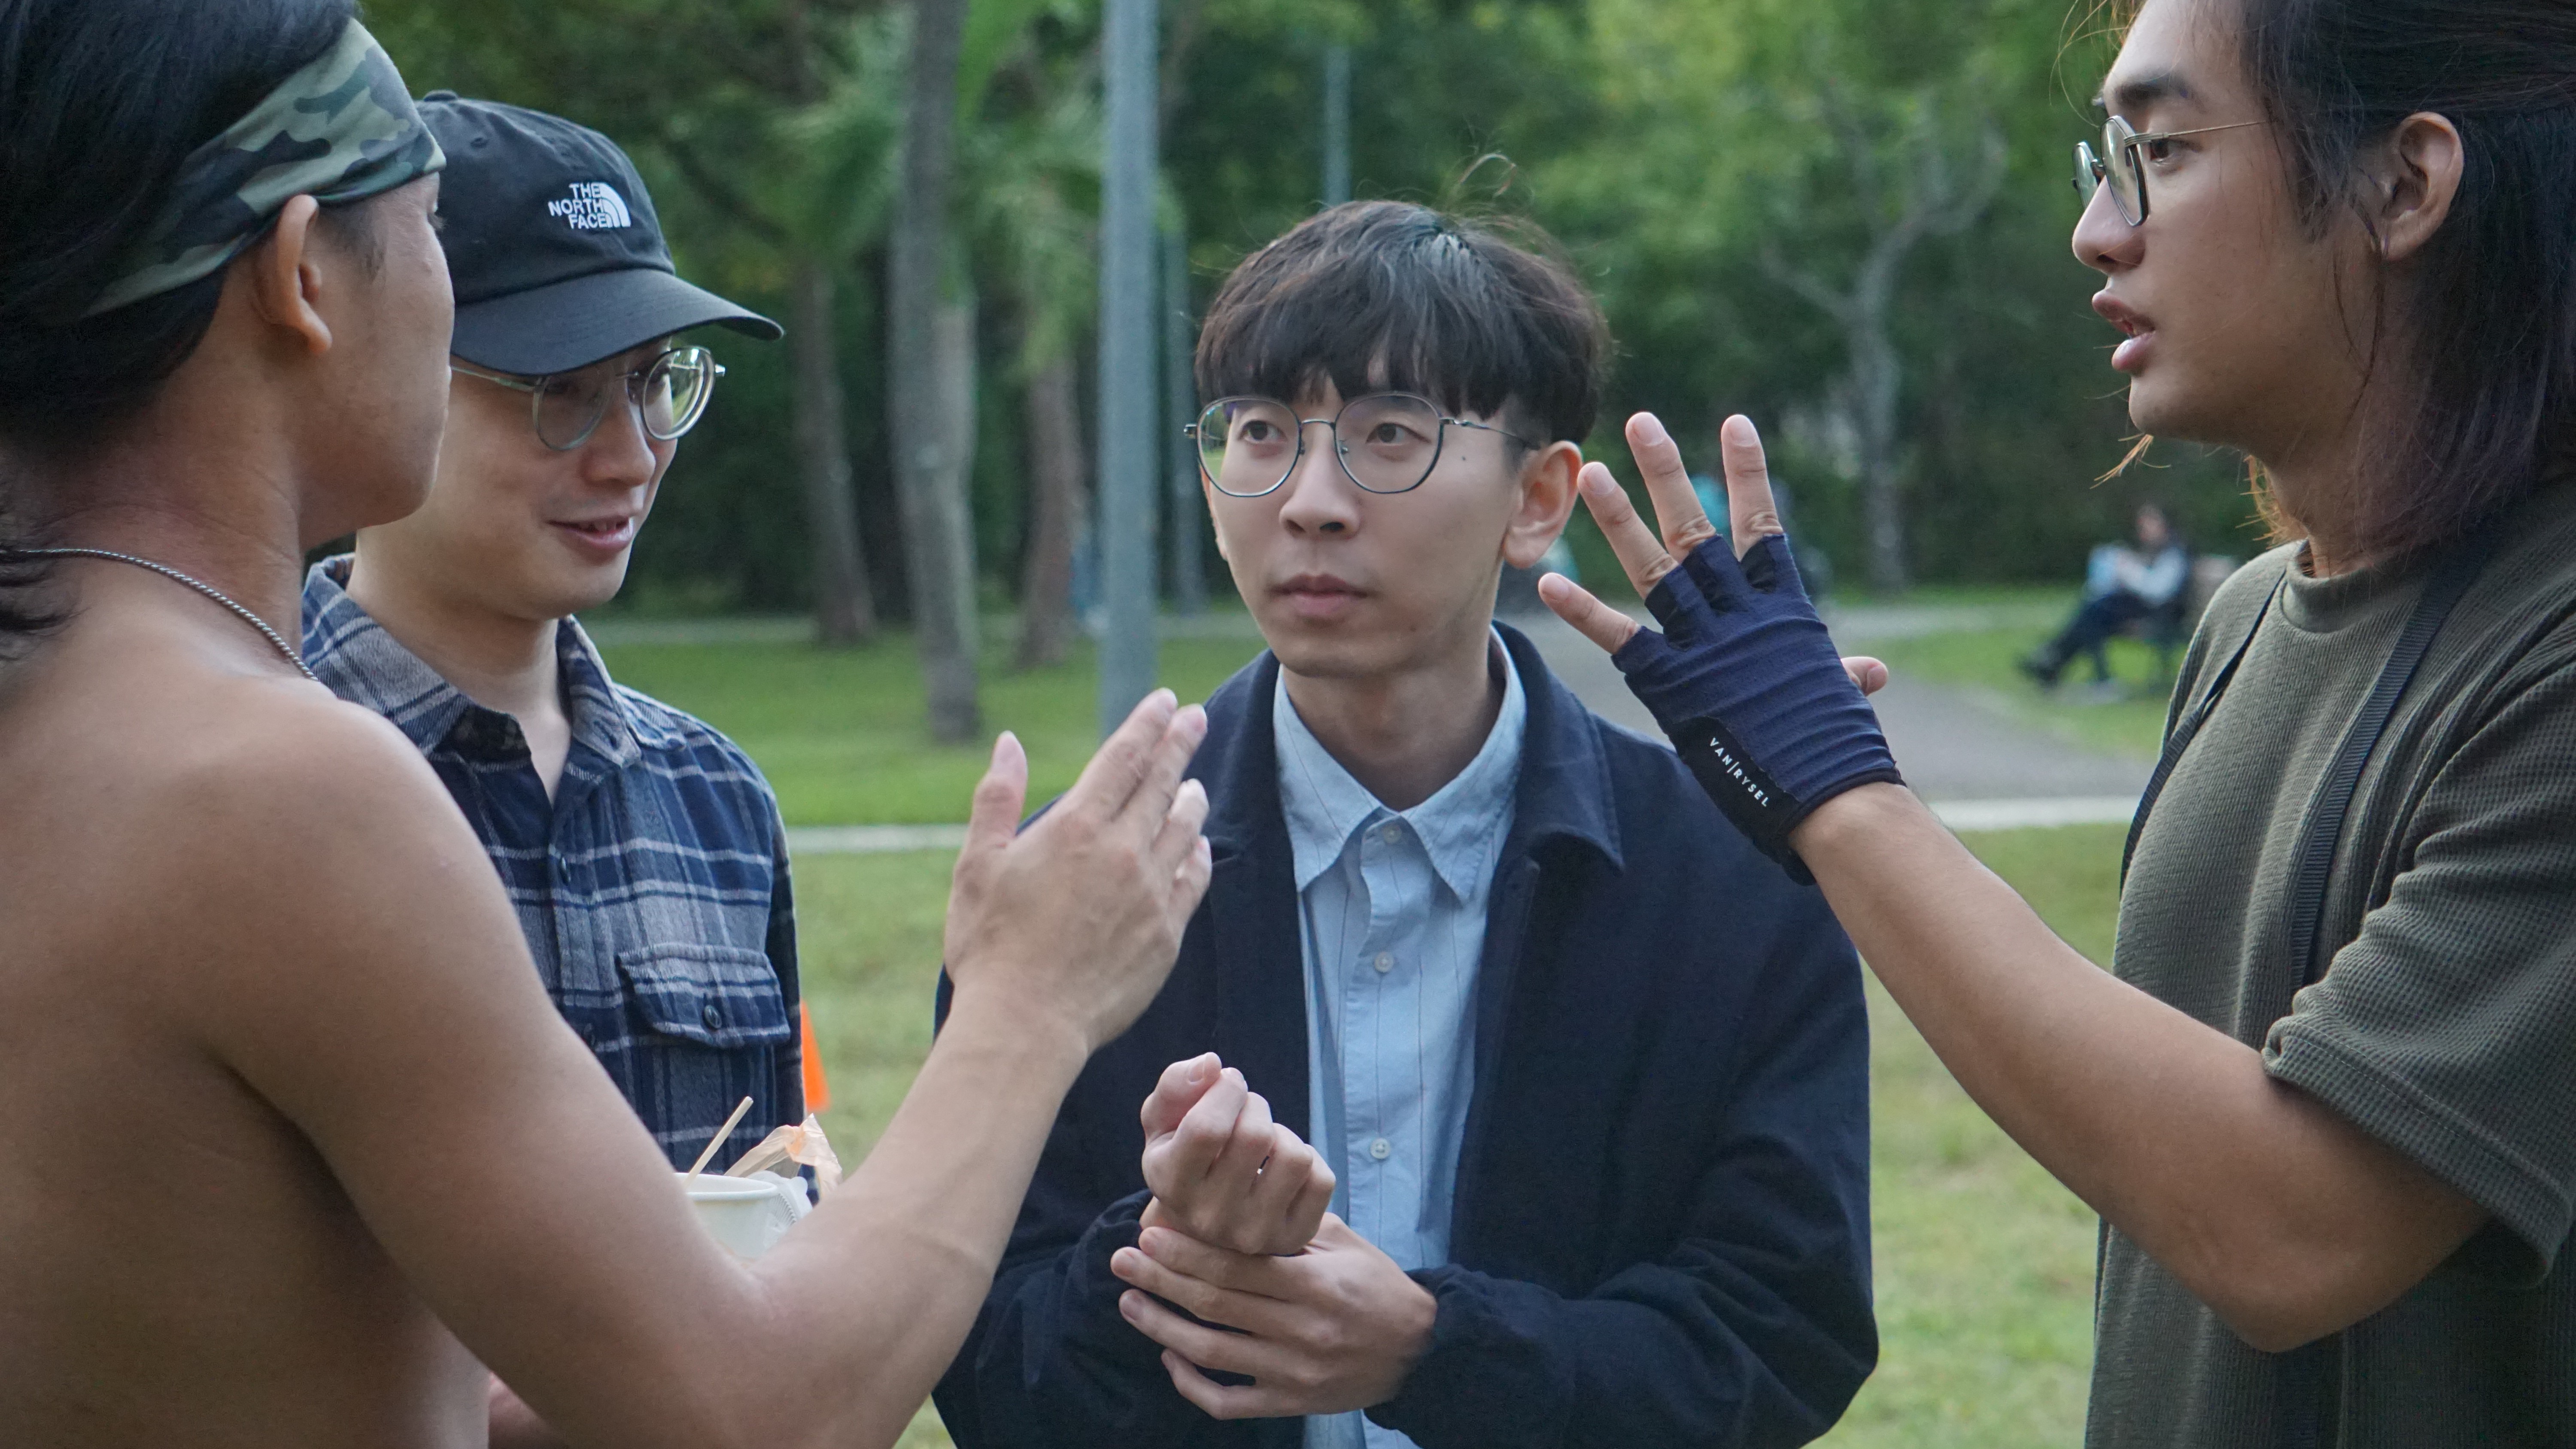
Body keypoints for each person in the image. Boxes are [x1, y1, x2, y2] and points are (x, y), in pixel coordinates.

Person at [0, 4, 1210, 1446]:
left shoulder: (65, 699)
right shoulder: (273, 789)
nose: (627, 446)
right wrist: (1029, 997)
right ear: (303, 272)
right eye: (436, 224)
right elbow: (754, 1411)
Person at [1537, 0, 2576, 1444]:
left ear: (2405, 185)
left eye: (2160, 150)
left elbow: (2295, 1230)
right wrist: (1838, 828)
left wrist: (1846, 801)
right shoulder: (2252, 617)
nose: (2098, 228)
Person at [934, 201, 1877, 1449]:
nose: (1309, 501)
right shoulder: (1076, 889)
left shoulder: (1728, 878)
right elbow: (986, 1375)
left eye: (1389, 436)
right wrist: (1165, 1254)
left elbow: (1779, 1337)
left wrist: (1435, 1353)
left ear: (1534, 497)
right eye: (1259, 434)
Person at [300, 95, 805, 1177]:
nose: (628, 456)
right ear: (382, 371)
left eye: (652, 381)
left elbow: (776, 1180)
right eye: (556, 394)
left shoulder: (716, 799)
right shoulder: (254, 770)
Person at [2019, 501, 2190, 687]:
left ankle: (2057, 660)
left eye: (2150, 524)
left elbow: (2158, 592)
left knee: (2093, 612)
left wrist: (2129, 571)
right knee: (2093, 610)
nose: (2144, 529)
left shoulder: (2174, 554)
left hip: (2160, 617)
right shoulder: (2153, 551)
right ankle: (2054, 662)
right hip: (2139, 611)